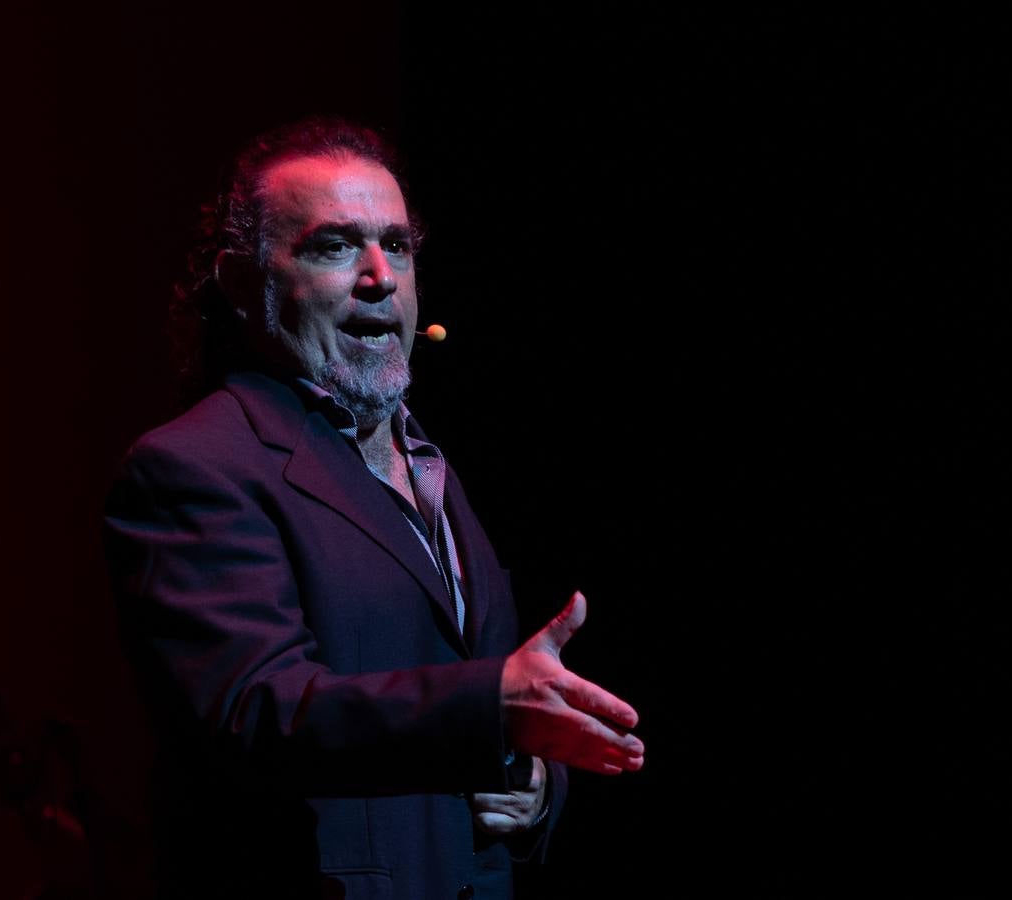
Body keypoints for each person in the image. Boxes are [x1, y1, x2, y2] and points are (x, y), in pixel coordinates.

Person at [102, 116, 644, 899]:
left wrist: (531, 785)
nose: (380, 276)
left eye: (399, 244)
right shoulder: (194, 467)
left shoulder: (431, 466)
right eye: (333, 246)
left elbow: (445, 705)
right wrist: (487, 707)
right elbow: (256, 711)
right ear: (238, 284)